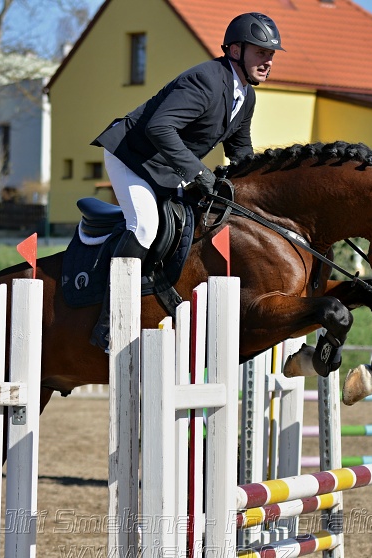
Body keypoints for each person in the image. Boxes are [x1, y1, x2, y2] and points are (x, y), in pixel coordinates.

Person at [89, 12, 284, 350]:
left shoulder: (245, 98)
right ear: (235, 50)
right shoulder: (207, 80)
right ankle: (110, 322)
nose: (267, 61)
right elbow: (159, 128)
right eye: (261, 52)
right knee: (145, 226)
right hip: (132, 156)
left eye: (271, 55)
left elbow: (241, 154)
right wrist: (197, 172)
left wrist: (263, 195)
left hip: (166, 167)